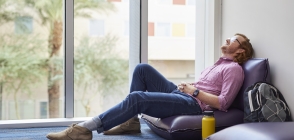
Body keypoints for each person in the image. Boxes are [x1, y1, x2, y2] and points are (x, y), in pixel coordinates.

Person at [46, 33, 254, 140]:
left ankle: (83, 129)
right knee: (142, 69)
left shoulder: (234, 69)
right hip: (184, 95)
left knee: (137, 98)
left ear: (240, 51)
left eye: (234, 39)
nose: (228, 38)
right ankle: (130, 122)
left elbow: (224, 103)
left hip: (193, 104)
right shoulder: (219, 64)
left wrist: (194, 91)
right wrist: (190, 86)